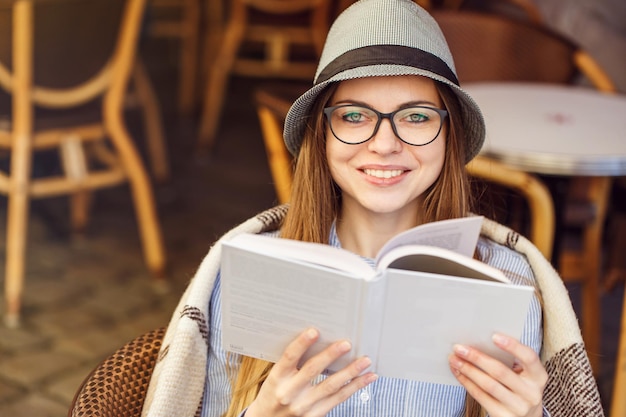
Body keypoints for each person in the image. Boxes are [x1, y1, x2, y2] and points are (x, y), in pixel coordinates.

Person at [142, 1, 604, 416]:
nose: (385, 144)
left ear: (450, 135)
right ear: (321, 135)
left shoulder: (512, 288)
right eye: (355, 116)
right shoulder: (245, 272)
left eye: (417, 116)